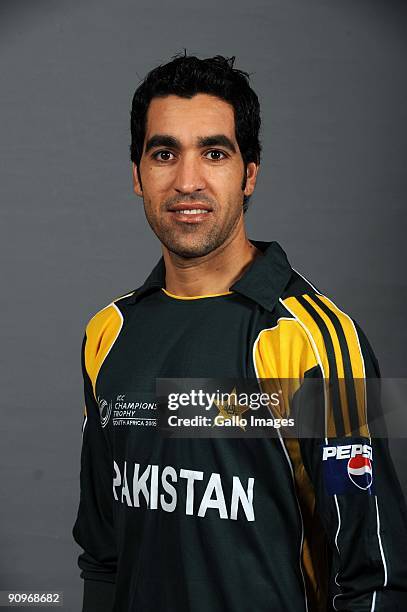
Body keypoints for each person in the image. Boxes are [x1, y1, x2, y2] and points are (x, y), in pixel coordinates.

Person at [72, 53, 407, 612]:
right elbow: (103, 557)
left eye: (214, 152)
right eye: (163, 153)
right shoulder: (107, 334)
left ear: (249, 172)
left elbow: (377, 572)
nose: (187, 181)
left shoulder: (319, 340)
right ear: (137, 174)